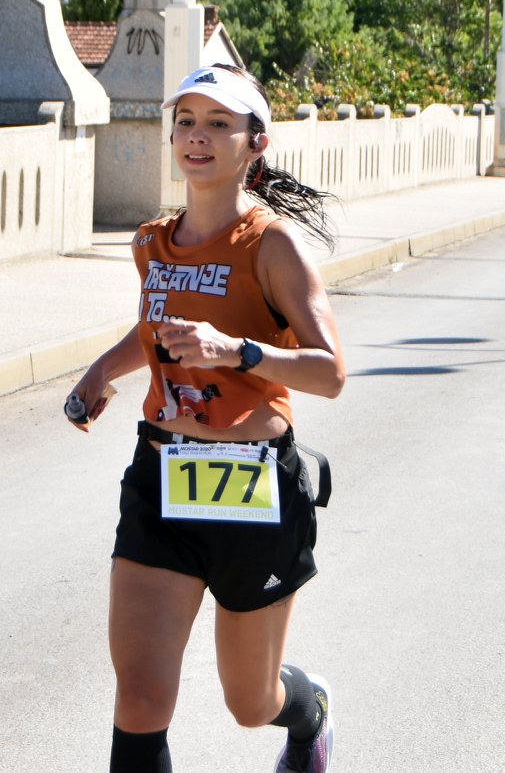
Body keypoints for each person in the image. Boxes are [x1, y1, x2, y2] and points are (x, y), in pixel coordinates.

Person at [66, 64, 345, 773]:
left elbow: (329, 371)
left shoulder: (270, 245)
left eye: (219, 123)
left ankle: (307, 711)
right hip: (162, 474)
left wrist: (240, 352)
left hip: (253, 486)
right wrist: (102, 371)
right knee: (140, 697)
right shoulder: (150, 242)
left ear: (255, 143)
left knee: (247, 702)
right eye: (186, 121)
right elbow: (153, 331)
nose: (197, 137)